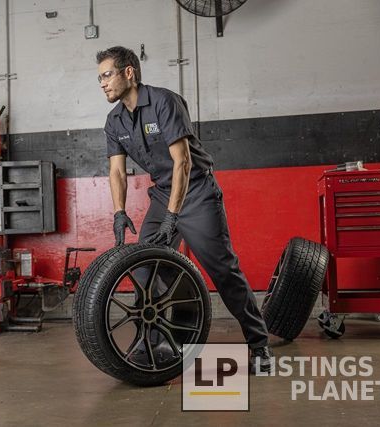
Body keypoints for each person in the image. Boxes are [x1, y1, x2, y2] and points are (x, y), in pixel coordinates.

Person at [97, 46, 273, 374]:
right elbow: (117, 171)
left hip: (196, 192)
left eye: (107, 75)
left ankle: (259, 343)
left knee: (223, 270)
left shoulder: (164, 102)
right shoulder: (114, 121)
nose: (103, 83)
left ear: (128, 73)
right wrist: (119, 212)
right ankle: (156, 341)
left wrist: (172, 217)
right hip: (163, 193)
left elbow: (183, 162)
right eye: (100, 78)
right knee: (145, 268)